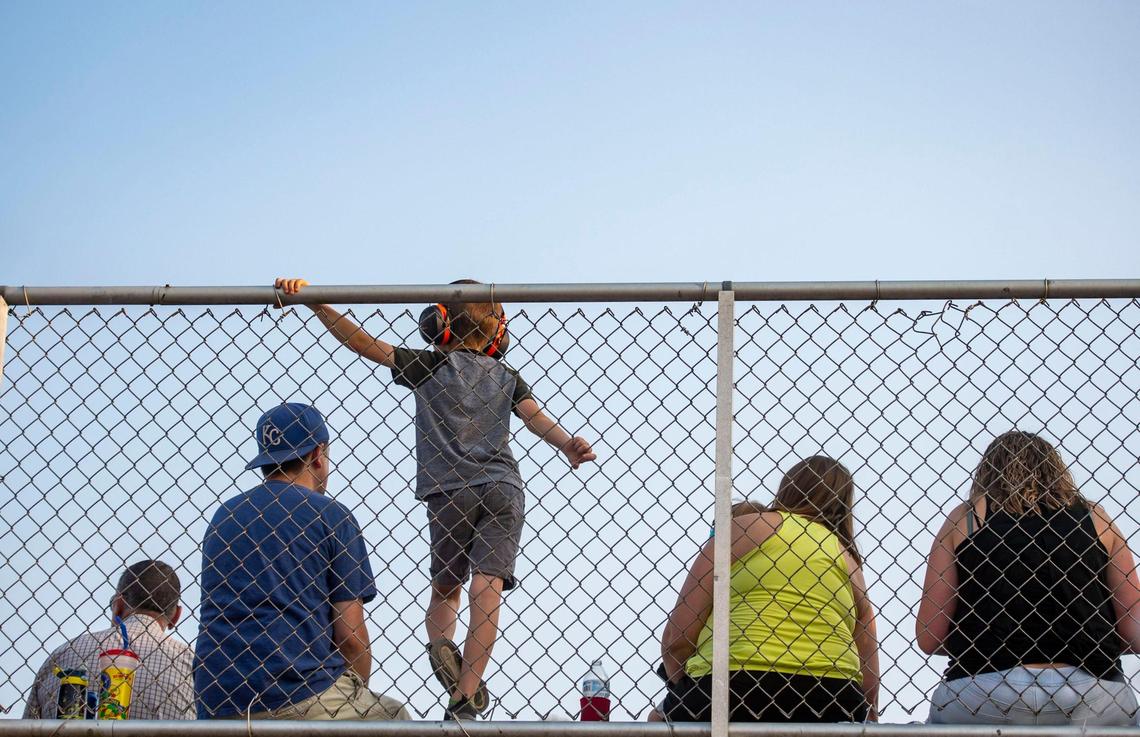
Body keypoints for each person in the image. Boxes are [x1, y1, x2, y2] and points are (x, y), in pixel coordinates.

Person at [274, 277, 597, 720]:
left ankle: (441, 647)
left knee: (447, 589)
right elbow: (535, 418)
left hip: (448, 491)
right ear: (499, 333)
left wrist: (318, 304)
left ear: (436, 324)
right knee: (489, 587)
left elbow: (364, 344)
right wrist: (567, 444)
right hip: (503, 487)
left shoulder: (427, 366)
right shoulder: (507, 375)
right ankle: (465, 695)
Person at [194, 402, 408, 721]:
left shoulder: (225, 516)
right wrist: (355, 692)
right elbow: (350, 637)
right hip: (298, 689)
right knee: (393, 717)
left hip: (218, 696)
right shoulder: (331, 515)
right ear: (317, 454)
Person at [917, 430, 1140, 725]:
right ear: (1056, 469)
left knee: (943, 719)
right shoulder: (1096, 517)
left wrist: (983, 633)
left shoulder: (966, 517)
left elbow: (929, 636)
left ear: (987, 471)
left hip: (982, 688)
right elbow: (1134, 627)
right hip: (1091, 688)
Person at [658, 456, 879, 722]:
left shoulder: (744, 528)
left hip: (735, 684)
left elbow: (677, 639)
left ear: (787, 488)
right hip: (833, 697)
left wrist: (683, 685)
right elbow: (869, 682)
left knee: (658, 720)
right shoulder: (850, 562)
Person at [24, 559, 194, 719]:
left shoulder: (63, 654)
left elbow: (28, 726)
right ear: (176, 616)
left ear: (118, 605)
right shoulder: (192, 664)